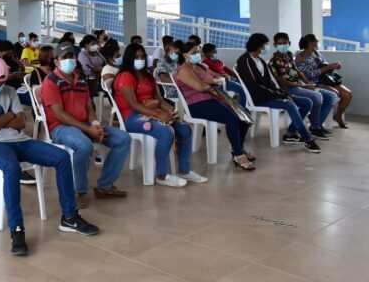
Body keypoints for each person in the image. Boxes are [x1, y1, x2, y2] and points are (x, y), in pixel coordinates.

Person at [0, 57, 100, 256]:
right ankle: (17, 230)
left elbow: (21, 123)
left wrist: (1, 121)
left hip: (20, 140)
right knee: (11, 168)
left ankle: (70, 217)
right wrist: (9, 116)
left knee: (62, 157)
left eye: (2, 81)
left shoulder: (10, 91)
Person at [40, 42, 131, 206]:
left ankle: (104, 186)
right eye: (65, 57)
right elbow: (58, 114)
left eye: (71, 56)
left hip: (84, 124)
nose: (69, 60)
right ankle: (79, 190)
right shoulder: (51, 81)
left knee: (122, 138)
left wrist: (95, 124)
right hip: (61, 128)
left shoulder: (80, 79)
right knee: (84, 145)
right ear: (56, 61)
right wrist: (87, 129)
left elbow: (88, 106)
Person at [114, 43, 207, 187]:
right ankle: (161, 175)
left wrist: (169, 110)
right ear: (129, 58)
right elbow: (133, 104)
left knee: (185, 128)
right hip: (132, 117)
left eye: (142, 56)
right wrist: (159, 115)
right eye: (136, 57)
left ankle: (184, 170)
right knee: (165, 132)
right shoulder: (125, 76)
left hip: (152, 112)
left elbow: (159, 99)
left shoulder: (148, 76)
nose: (140, 59)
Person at [175, 42, 255, 170]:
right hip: (197, 105)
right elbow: (200, 87)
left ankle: (238, 149)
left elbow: (218, 78)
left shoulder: (200, 66)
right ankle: (239, 154)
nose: (198, 54)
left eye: (199, 52)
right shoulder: (183, 70)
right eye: (194, 52)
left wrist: (211, 82)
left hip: (215, 98)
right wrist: (211, 82)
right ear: (185, 55)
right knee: (232, 118)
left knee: (245, 115)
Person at [237, 33, 321, 152]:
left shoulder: (259, 60)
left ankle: (290, 133)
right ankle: (307, 139)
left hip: (270, 94)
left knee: (307, 102)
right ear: (258, 45)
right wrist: (281, 94)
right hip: (259, 97)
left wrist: (283, 93)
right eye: (265, 44)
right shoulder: (245, 61)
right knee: (290, 104)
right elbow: (255, 87)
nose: (267, 47)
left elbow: (269, 83)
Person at [269, 33, 334, 141]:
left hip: (302, 86)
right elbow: (282, 82)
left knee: (330, 95)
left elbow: (297, 71)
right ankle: (315, 127)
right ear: (275, 44)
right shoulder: (273, 62)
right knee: (317, 96)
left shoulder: (288, 54)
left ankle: (316, 123)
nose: (283, 45)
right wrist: (303, 85)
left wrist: (308, 83)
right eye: (279, 43)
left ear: (289, 43)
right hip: (290, 89)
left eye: (285, 43)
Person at [295, 33, 352, 129]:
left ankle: (338, 116)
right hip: (313, 84)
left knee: (347, 94)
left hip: (325, 80)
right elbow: (308, 75)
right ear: (310, 43)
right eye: (316, 41)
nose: (318, 43)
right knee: (334, 93)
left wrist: (333, 67)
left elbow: (324, 66)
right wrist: (327, 68)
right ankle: (316, 121)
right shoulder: (301, 57)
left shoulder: (316, 53)